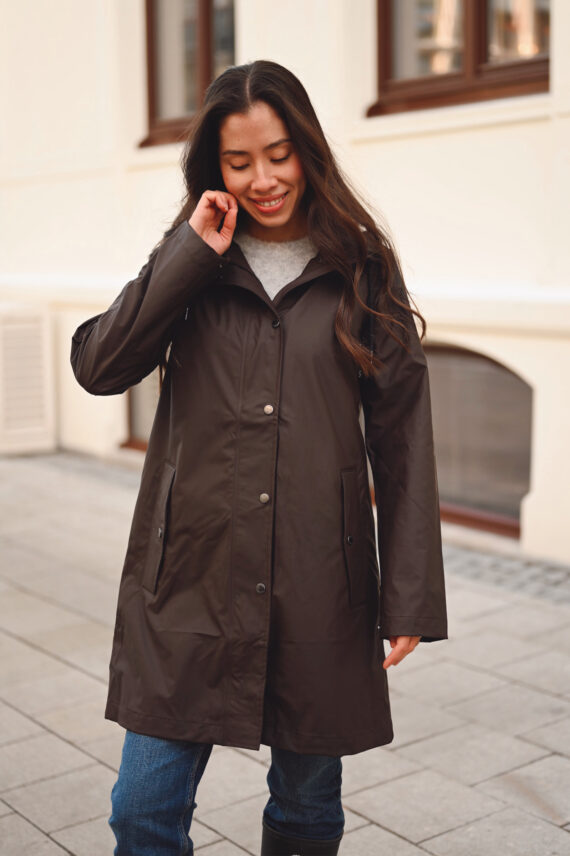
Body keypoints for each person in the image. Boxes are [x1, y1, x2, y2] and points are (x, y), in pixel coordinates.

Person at [70, 60, 447, 856]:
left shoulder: (361, 265)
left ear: (307, 148)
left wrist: (409, 594)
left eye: (279, 154)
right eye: (239, 162)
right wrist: (186, 255)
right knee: (141, 810)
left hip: (319, 578)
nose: (264, 179)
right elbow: (100, 368)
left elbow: (402, 435)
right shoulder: (193, 257)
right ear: (215, 167)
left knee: (306, 807)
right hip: (189, 578)